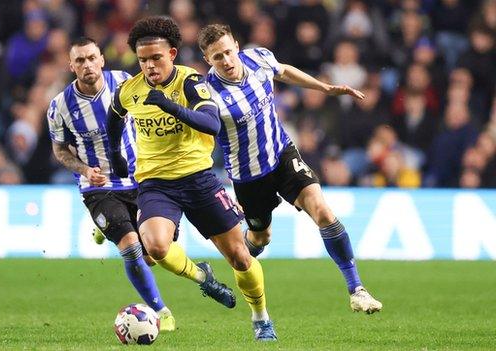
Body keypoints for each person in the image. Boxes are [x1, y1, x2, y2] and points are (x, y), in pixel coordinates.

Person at [106, 16, 277, 341]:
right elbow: (114, 116)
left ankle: (261, 317)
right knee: (155, 247)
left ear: (171, 53)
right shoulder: (130, 90)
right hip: (155, 183)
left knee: (241, 257)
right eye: (143, 60)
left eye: (156, 58)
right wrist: (115, 153)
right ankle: (204, 278)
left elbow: (211, 124)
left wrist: (171, 107)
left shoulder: (190, 81)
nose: (150, 66)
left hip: (199, 180)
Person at [198, 24, 383, 314]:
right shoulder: (207, 94)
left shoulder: (258, 57)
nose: (227, 61)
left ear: (236, 44)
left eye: (229, 52)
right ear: (208, 59)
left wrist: (323, 87)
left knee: (322, 211)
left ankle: (357, 289)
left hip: (282, 154)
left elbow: (282, 70)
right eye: (217, 57)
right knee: (261, 237)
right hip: (249, 176)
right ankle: (242, 262)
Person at [46, 38, 175, 331]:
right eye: (80, 61)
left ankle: (103, 226)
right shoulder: (60, 106)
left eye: (91, 58)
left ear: (102, 59)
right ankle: (161, 311)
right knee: (129, 247)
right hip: (98, 187)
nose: (87, 65)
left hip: (140, 177)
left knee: (154, 254)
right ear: (71, 66)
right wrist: (83, 169)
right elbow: (60, 150)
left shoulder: (125, 82)